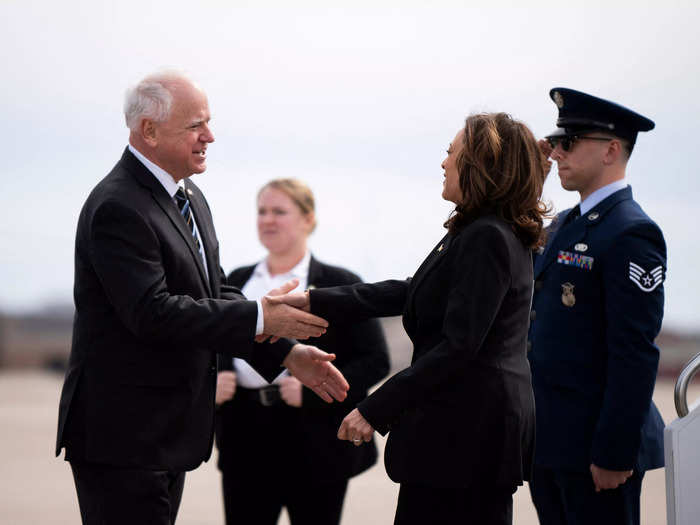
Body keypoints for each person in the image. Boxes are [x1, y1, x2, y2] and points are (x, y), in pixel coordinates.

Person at [54, 71, 349, 525]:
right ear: (148, 131)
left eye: (207, 123)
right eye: (195, 125)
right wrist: (259, 317)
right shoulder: (119, 205)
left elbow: (212, 295)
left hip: (166, 435)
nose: (209, 136)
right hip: (124, 438)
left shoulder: (188, 195)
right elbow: (152, 313)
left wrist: (285, 353)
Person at [274, 112, 549, 525]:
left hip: (468, 439)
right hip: (465, 436)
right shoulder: (478, 230)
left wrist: (374, 408)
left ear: (480, 164)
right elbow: (411, 290)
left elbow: (459, 346)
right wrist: (313, 300)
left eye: (451, 153)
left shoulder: (487, 236)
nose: (443, 163)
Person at [214, 178, 390, 525]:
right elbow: (213, 340)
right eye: (262, 211)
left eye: (279, 211)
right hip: (243, 437)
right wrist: (214, 380)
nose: (267, 220)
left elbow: (376, 361)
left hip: (317, 442)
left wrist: (310, 393)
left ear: (308, 219)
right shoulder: (237, 280)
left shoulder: (339, 282)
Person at [527, 87, 666, 525]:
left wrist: (614, 452)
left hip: (595, 450)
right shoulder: (566, 223)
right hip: (551, 441)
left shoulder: (631, 232)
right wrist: (532, 167)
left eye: (568, 143)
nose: (557, 154)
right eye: (553, 144)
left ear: (610, 150)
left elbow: (634, 351)